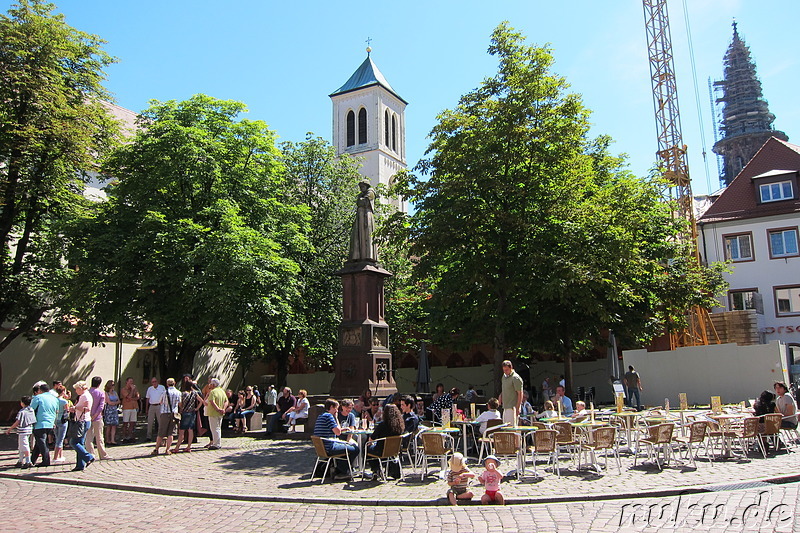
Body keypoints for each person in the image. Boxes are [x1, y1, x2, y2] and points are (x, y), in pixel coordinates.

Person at [313, 398, 359, 481]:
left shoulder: (321, 416)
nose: (337, 411)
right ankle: (342, 472)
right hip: (329, 447)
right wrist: (336, 418)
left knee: (345, 447)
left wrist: (342, 429)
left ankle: (341, 469)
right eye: (336, 408)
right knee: (355, 449)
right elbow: (338, 433)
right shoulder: (329, 416)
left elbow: (336, 430)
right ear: (331, 407)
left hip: (322, 447)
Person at [365, 404, 405, 478]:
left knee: (367, 448)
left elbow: (372, 438)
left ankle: (375, 469)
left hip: (381, 451)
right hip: (394, 450)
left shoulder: (382, 425)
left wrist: (371, 442)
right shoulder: (400, 425)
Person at [29, 382, 58, 467]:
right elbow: (56, 410)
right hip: (50, 422)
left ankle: (46, 460)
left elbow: (31, 409)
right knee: (39, 442)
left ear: (40, 390)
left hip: (40, 423)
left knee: (42, 442)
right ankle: (32, 460)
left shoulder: (38, 397)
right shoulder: (54, 398)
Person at [348, 180, 377, 262]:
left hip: (366, 215)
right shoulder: (361, 194)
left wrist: (361, 200)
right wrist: (360, 200)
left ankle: (367, 255)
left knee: (367, 233)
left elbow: (364, 202)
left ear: (366, 186)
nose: (361, 189)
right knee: (358, 235)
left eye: (362, 186)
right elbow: (359, 202)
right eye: (360, 187)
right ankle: (358, 256)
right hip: (360, 216)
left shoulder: (371, 192)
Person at [70, 381, 95, 471]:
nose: (76, 391)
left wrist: (75, 407)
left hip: (82, 421)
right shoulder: (85, 395)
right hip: (84, 420)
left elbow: (87, 408)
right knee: (80, 443)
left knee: (73, 442)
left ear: (80, 388)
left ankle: (88, 457)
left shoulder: (85, 396)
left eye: (76, 389)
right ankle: (80, 465)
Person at [173, 379, 203, 453]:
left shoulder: (183, 394)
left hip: (185, 412)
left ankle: (177, 447)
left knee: (182, 431)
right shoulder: (194, 393)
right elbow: (201, 401)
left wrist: (181, 407)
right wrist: (197, 408)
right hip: (192, 413)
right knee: (190, 430)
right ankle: (189, 447)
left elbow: (180, 404)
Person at [152, 378, 181, 455]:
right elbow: (180, 403)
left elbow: (160, 402)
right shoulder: (178, 392)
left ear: (167, 384)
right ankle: (167, 449)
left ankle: (156, 449)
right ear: (174, 383)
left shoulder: (164, 392)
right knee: (170, 433)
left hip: (165, 413)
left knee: (161, 432)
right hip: (174, 414)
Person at [85, 376, 110, 460]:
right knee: (99, 437)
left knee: (88, 437)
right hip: (97, 417)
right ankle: (103, 455)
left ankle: (90, 454)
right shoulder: (101, 393)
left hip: (87, 417)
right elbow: (101, 406)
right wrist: (95, 415)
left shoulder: (87, 392)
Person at [6, 396, 35, 468]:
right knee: (21, 446)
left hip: (23, 431)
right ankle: (20, 460)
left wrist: (10, 429)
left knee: (24, 446)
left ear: (22, 403)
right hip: (29, 429)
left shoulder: (22, 412)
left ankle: (28, 461)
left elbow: (18, 421)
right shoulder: (31, 410)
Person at [205, 378, 228, 450]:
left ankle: (216, 444)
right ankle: (218, 442)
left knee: (214, 428)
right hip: (220, 413)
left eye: (211, 384)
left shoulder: (213, 392)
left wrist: (217, 409)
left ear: (213, 384)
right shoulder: (222, 391)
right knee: (218, 428)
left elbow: (212, 401)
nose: (210, 385)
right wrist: (223, 409)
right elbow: (226, 401)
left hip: (213, 413)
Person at [499, 360, 524, 425]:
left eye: (507, 370)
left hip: (513, 407)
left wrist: (518, 407)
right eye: (504, 370)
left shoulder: (515, 378)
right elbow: (505, 388)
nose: (505, 372)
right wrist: (500, 396)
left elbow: (520, 393)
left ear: (511, 368)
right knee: (505, 428)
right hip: (505, 406)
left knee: (512, 428)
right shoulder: (504, 377)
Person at [52, 384, 71, 463]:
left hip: (55, 420)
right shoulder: (64, 401)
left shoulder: (54, 400)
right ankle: (55, 457)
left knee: (58, 438)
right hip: (63, 421)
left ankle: (61, 455)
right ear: (63, 392)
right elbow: (67, 411)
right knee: (60, 439)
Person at [120, 377, 140, 443]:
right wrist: (132, 391)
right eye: (130, 381)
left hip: (134, 407)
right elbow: (128, 397)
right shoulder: (124, 389)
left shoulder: (135, 389)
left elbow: (137, 397)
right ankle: (124, 437)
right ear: (127, 382)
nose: (131, 383)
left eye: (132, 381)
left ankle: (130, 436)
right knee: (125, 423)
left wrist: (132, 398)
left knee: (132, 423)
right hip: (127, 408)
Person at [103, 380, 120, 445]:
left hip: (114, 410)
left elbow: (118, 401)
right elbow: (108, 402)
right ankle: (108, 439)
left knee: (114, 425)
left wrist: (114, 403)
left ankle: (113, 439)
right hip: (109, 410)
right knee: (108, 426)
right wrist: (114, 403)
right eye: (112, 385)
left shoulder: (115, 393)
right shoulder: (106, 393)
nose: (113, 386)